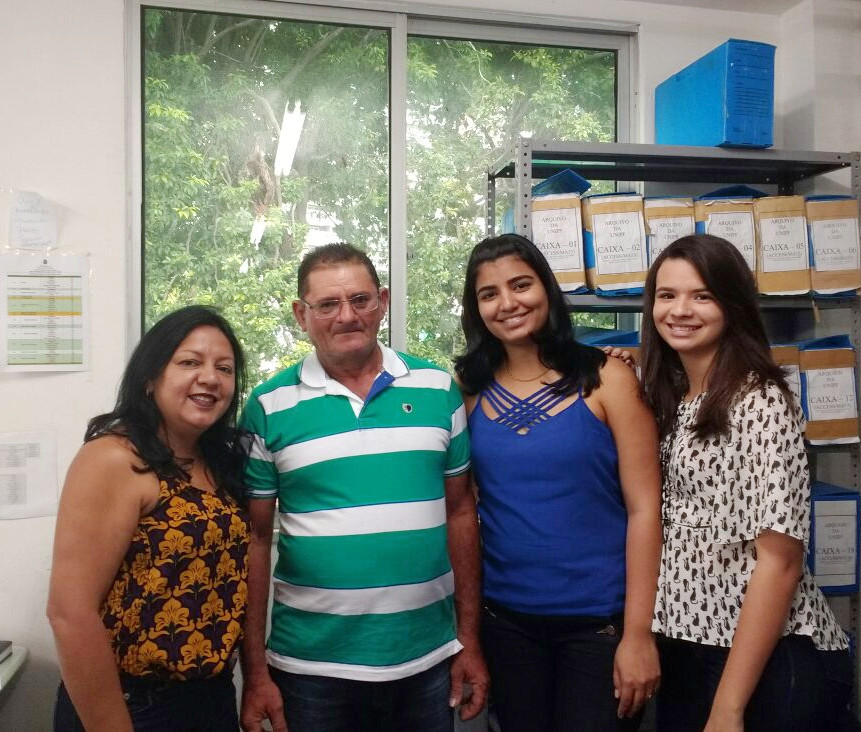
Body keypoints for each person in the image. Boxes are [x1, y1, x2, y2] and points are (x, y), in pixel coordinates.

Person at [238, 242, 488, 732]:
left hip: (427, 659)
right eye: (328, 304)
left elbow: (462, 515)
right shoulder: (268, 406)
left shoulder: (437, 390)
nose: (347, 316)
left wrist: (469, 641)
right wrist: (255, 672)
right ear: (301, 315)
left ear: (383, 302)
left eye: (361, 300)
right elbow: (256, 541)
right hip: (313, 669)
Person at [640, 234, 853, 732]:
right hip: (690, 644)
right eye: (667, 295)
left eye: (702, 295)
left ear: (732, 304)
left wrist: (730, 704)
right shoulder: (675, 395)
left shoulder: (760, 400)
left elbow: (779, 561)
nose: (680, 310)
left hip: (765, 657)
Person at [455, 233, 662, 731]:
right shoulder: (467, 389)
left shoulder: (608, 377)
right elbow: (465, 506)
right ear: (475, 307)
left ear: (546, 289)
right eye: (489, 294)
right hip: (507, 624)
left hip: (601, 625)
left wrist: (638, 634)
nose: (508, 303)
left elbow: (646, 508)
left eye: (521, 285)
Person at [47, 305, 250, 731]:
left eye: (225, 368)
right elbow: (70, 612)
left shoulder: (218, 463)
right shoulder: (114, 459)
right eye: (190, 362)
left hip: (211, 698)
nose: (210, 378)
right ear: (149, 378)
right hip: (132, 704)